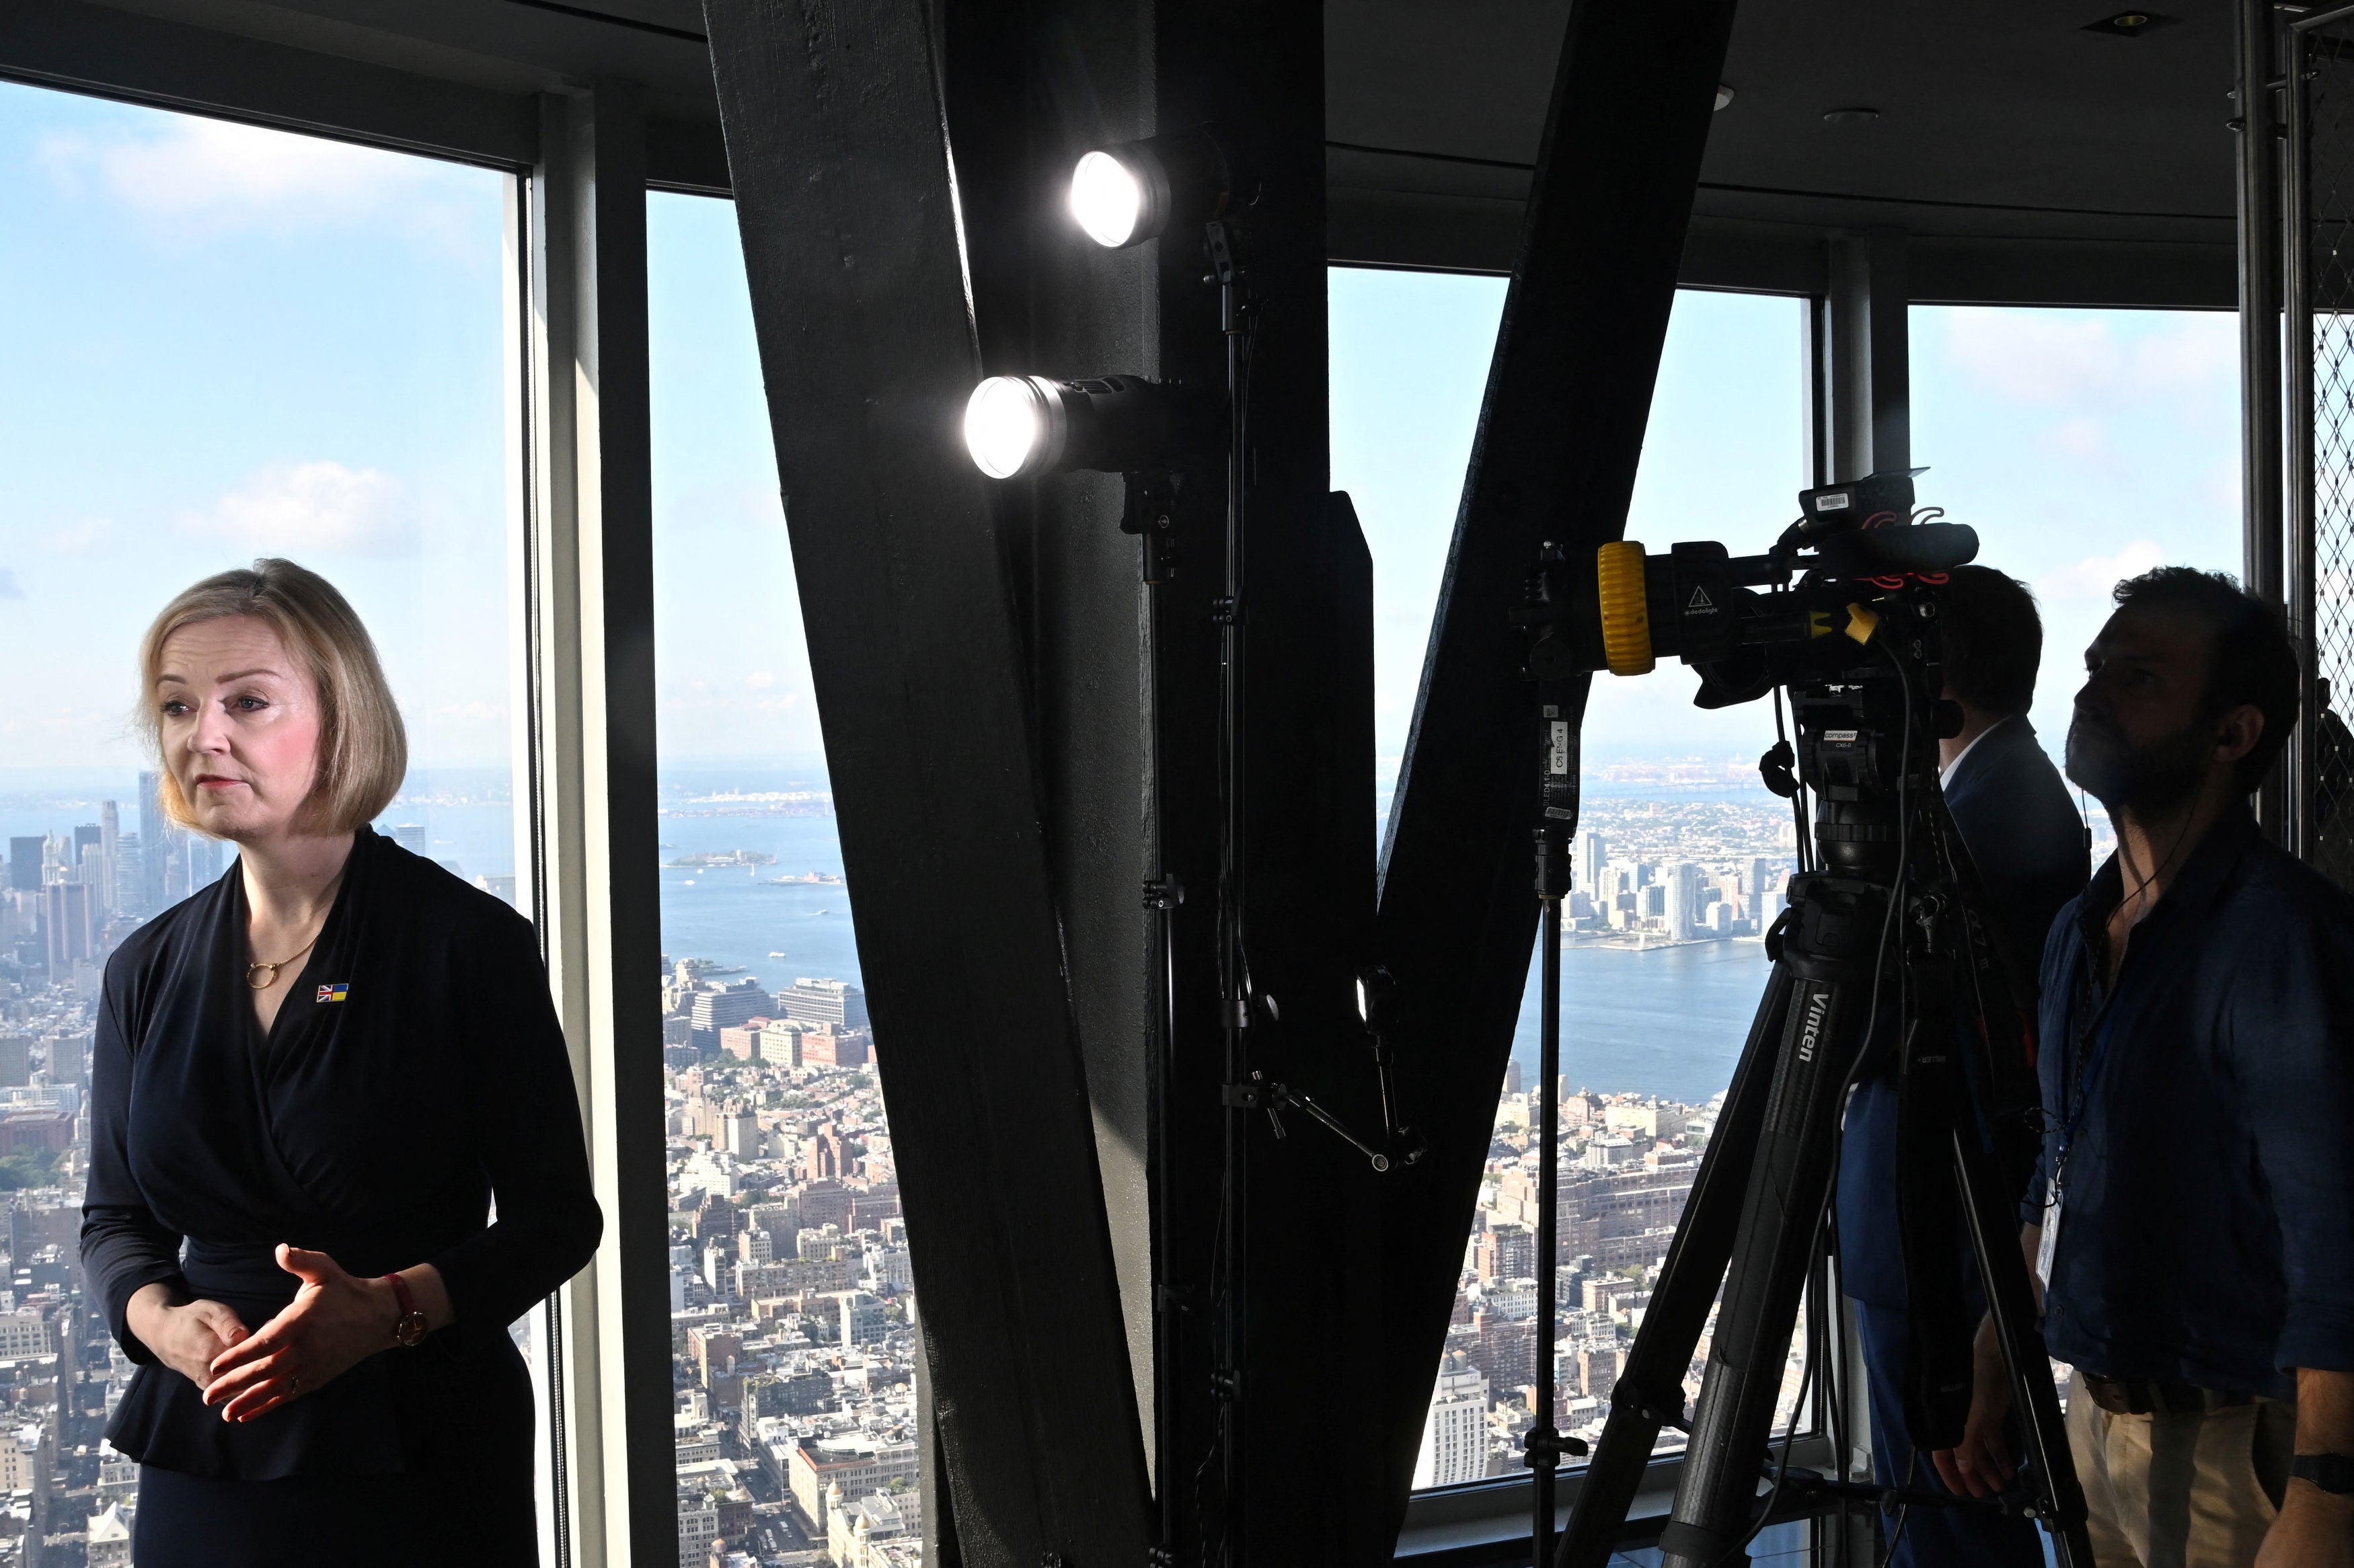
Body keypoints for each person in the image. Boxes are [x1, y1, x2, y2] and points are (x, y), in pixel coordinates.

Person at [80, 560, 603, 1566]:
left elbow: (556, 1222)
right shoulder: (143, 970)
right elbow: (116, 1220)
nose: (205, 736)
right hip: (208, 1436)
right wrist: (162, 1322)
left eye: (248, 702)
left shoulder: (463, 944)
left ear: (344, 716)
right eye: (178, 706)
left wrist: (387, 1312)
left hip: (418, 1441)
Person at [1933, 566, 2354, 1567]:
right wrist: (2003, 1344)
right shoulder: (2083, 933)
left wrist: (2327, 1496)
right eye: (2096, 666)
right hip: (2100, 1432)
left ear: (2232, 733)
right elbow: (2060, 1162)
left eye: (2140, 676)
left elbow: (2339, 1235)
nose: (2094, 690)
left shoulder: (2282, 942)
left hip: (2240, 1453)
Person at [1832, 564, 2089, 1565]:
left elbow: (1885, 1023)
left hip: (1938, 1224)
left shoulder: (1986, 815)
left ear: (1927, 674)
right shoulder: (2003, 789)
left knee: (1945, 1515)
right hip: (1942, 1219)